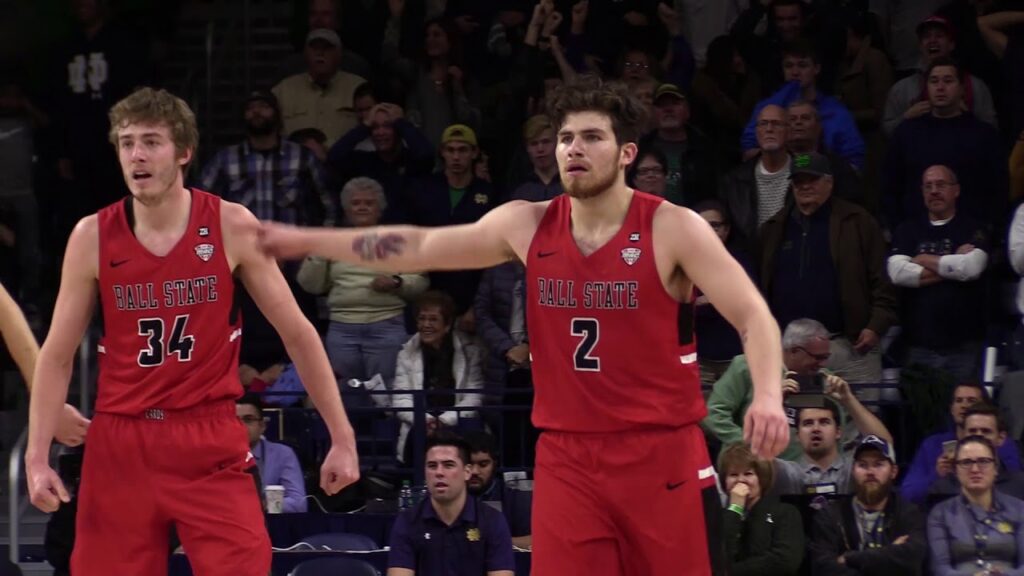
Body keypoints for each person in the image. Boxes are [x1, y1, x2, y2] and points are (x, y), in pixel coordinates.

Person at [259, 75, 790, 575]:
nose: (573, 149)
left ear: (627, 153)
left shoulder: (673, 227)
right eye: (564, 138)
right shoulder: (526, 223)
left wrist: (766, 394)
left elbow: (754, 316)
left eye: (591, 137)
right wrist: (312, 241)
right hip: (567, 455)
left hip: (660, 451)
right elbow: (420, 245)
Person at [25, 87, 359, 575]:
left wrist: (342, 436)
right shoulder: (91, 236)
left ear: (183, 152)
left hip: (208, 435)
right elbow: (56, 357)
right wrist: (36, 457)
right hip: (122, 440)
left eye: (152, 141)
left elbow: (300, 335)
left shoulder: (230, 225)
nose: (137, 155)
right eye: (126, 142)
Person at [887, 165, 989, 381]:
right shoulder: (907, 230)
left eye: (941, 185)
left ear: (956, 190)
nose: (934, 191)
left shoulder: (973, 228)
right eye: (928, 186)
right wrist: (954, 262)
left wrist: (922, 259)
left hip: (964, 346)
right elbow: (897, 273)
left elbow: (971, 268)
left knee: (963, 412)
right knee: (920, 412)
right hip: (918, 344)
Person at [386, 433, 515, 576]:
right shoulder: (407, 522)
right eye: (432, 466)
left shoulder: (493, 521)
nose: (439, 473)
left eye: (448, 465)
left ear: (467, 472)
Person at [808, 435, 928, 575]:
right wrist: (891, 553)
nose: (870, 472)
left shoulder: (909, 513)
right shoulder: (830, 515)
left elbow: (913, 559)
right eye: (863, 465)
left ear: (893, 471)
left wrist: (850, 558)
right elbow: (822, 568)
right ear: (853, 471)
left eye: (878, 464)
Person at [392, 291, 484, 463]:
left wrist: (445, 420)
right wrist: (426, 420)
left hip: (456, 425)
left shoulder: (470, 350)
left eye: (433, 319)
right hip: (420, 427)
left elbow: (475, 396)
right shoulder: (406, 352)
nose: (426, 325)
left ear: (447, 325)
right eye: (422, 319)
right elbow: (400, 399)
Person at [901, 383, 1023, 505]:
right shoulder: (932, 445)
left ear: (1000, 438)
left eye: (972, 400)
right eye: (959, 401)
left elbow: (1012, 483)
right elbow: (908, 495)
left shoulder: (1007, 450)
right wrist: (936, 475)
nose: (964, 405)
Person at [927, 436, 1024, 574]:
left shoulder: (1019, 509)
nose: (975, 469)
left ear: (995, 468)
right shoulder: (940, 513)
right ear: (955, 470)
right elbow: (940, 568)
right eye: (966, 462)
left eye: (983, 461)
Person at [718, 442, 804, 576]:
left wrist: (731, 572)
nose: (741, 480)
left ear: (761, 478)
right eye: (733, 475)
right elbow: (719, 555)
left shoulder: (785, 513)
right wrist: (735, 509)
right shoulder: (718, 518)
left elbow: (785, 561)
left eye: (748, 474)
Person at [927, 404, 1024, 501]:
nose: (978, 436)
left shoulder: (1020, 485)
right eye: (972, 431)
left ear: (1001, 438)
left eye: (986, 431)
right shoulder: (942, 488)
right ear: (961, 436)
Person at [236, 394, 307, 513]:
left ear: (262, 425)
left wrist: (262, 505)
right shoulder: (215, 455)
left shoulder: (282, 454)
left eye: (248, 420)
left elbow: (298, 503)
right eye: (235, 420)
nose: (241, 426)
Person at [463, 430, 532, 549]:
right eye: (469, 465)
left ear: (494, 464)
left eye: (483, 464)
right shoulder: (447, 499)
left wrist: (496, 541)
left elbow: (536, 540)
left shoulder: (517, 500)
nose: (474, 471)